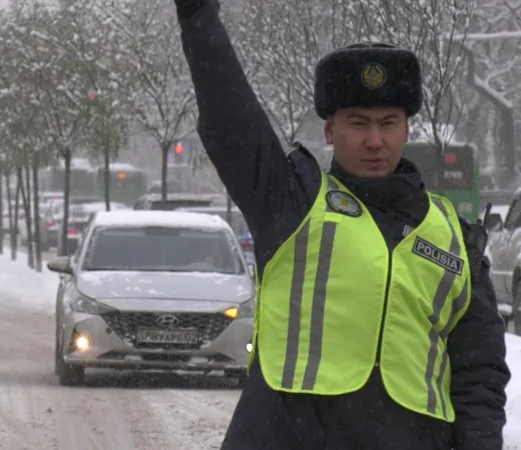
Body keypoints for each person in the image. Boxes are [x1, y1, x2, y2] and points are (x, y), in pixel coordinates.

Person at [172, 0, 511, 449]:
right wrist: (199, 19)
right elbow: (229, 118)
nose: (375, 139)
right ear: (330, 131)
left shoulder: (457, 239)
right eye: (358, 123)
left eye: (388, 122)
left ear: (407, 129)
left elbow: (479, 375)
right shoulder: (290, 203)